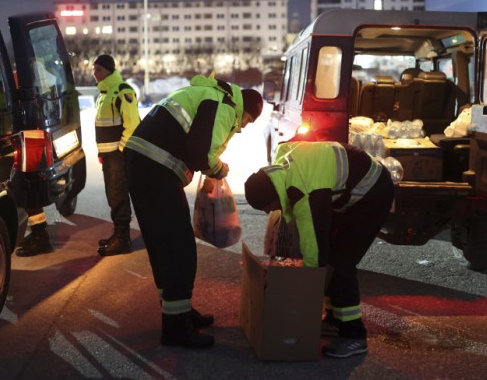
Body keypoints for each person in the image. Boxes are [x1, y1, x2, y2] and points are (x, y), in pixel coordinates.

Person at [124, 74, 264, 349]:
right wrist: (219, 170)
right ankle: (176, 329)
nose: (242, 128)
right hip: (155, 167)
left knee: (163, 245)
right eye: (247, 121)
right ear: (244, 109)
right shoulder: (222, 103)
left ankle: (178, 312)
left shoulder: (207, 95)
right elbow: (202, 153)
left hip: (142, 163)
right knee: (179, 248)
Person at [243, 141, 394, 359]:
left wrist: (307, 292)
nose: (272, 211)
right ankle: (334, 318)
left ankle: (354, 335)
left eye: (271, 206)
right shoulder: (281, 170)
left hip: (372, 195)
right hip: (348, 194)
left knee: (340, 262)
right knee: (332, 256)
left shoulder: (304, 192)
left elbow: (314, 251)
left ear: (275, 194)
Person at [93, 54, 140, 256]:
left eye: (99, 70)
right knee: (113, 196)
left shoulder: (122, 91)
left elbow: (132, 125)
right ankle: (119, 235)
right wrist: (103, 153)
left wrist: (120, 150)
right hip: (109, 155)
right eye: (94, 70)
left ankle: (123, 240)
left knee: (118, 195)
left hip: (117, 156)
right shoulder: (103, 94)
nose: (95, 74)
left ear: (109, 70)